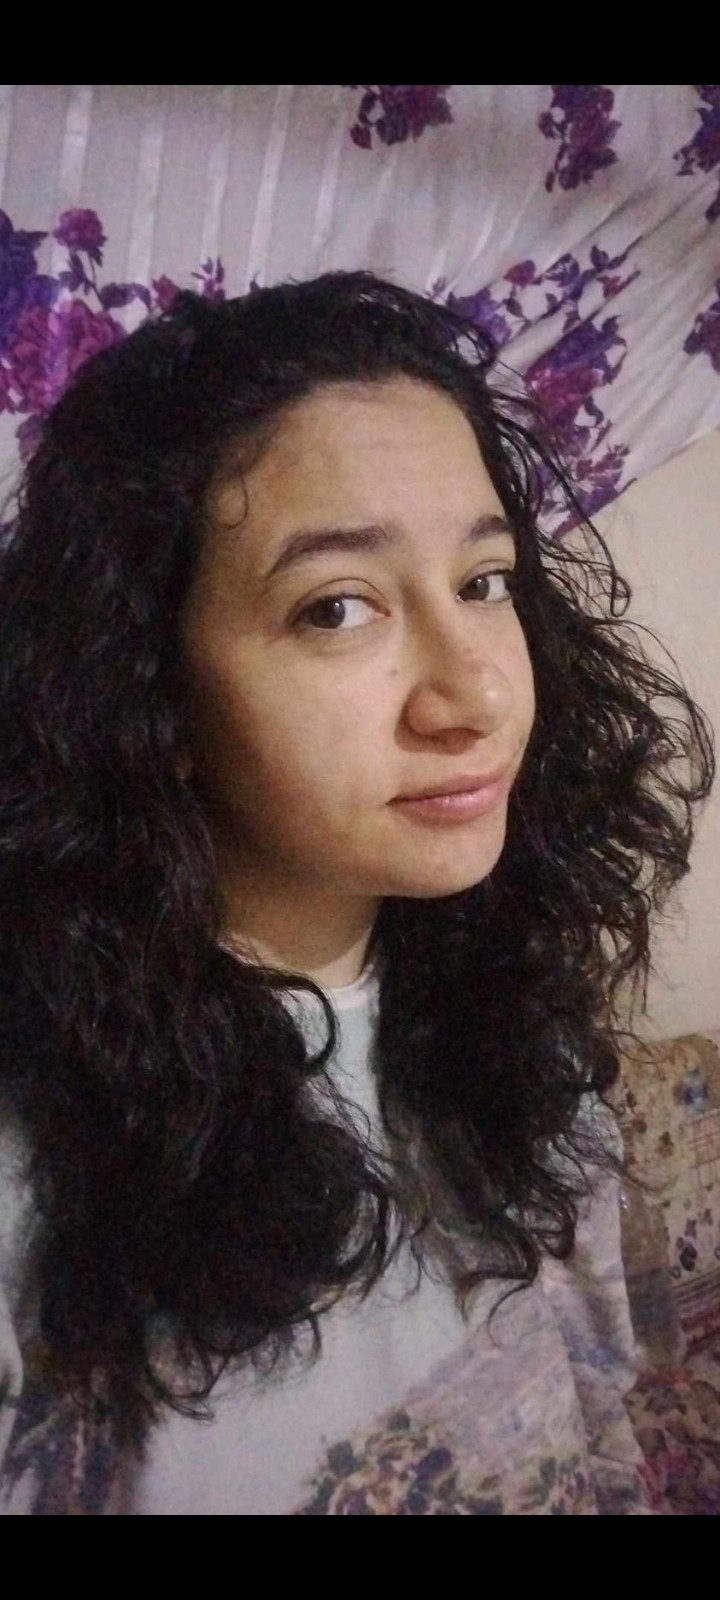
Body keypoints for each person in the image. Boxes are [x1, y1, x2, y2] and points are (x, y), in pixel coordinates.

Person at [0, 270, 714, 1515]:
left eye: (485, 581)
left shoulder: (518, 1031)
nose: (475, 693)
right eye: (338, 608)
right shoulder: (36, 1180)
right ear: (146, 688)